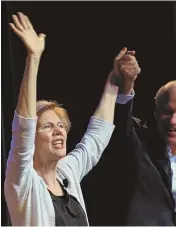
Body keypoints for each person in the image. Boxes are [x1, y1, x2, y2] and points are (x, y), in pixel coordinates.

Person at [4, 12, 124, 226]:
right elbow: (23, 129)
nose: (59, 130)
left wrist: (114, 82)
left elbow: (96, 138)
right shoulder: (22, 182)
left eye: (61, 125)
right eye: (48, 126)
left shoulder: (66, 172)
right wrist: (33, 58)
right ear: (33, 137)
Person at [113, 48, 176, 225]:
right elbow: (120, 120)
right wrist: (126, 85)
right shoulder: (138, 138)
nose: (173, 121)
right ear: (156, 112)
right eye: (167, 112)